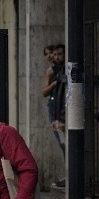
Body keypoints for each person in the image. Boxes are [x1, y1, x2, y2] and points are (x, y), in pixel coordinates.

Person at [42, 44, 66, 188]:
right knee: (62, 143)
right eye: (50, 54)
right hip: (55, 110)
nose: (52, 57)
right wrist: (54, 85)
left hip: (60, 112)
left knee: (65, 144)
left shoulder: (63, 70)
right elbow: (44, 91)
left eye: (56, 54)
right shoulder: (51, 71)